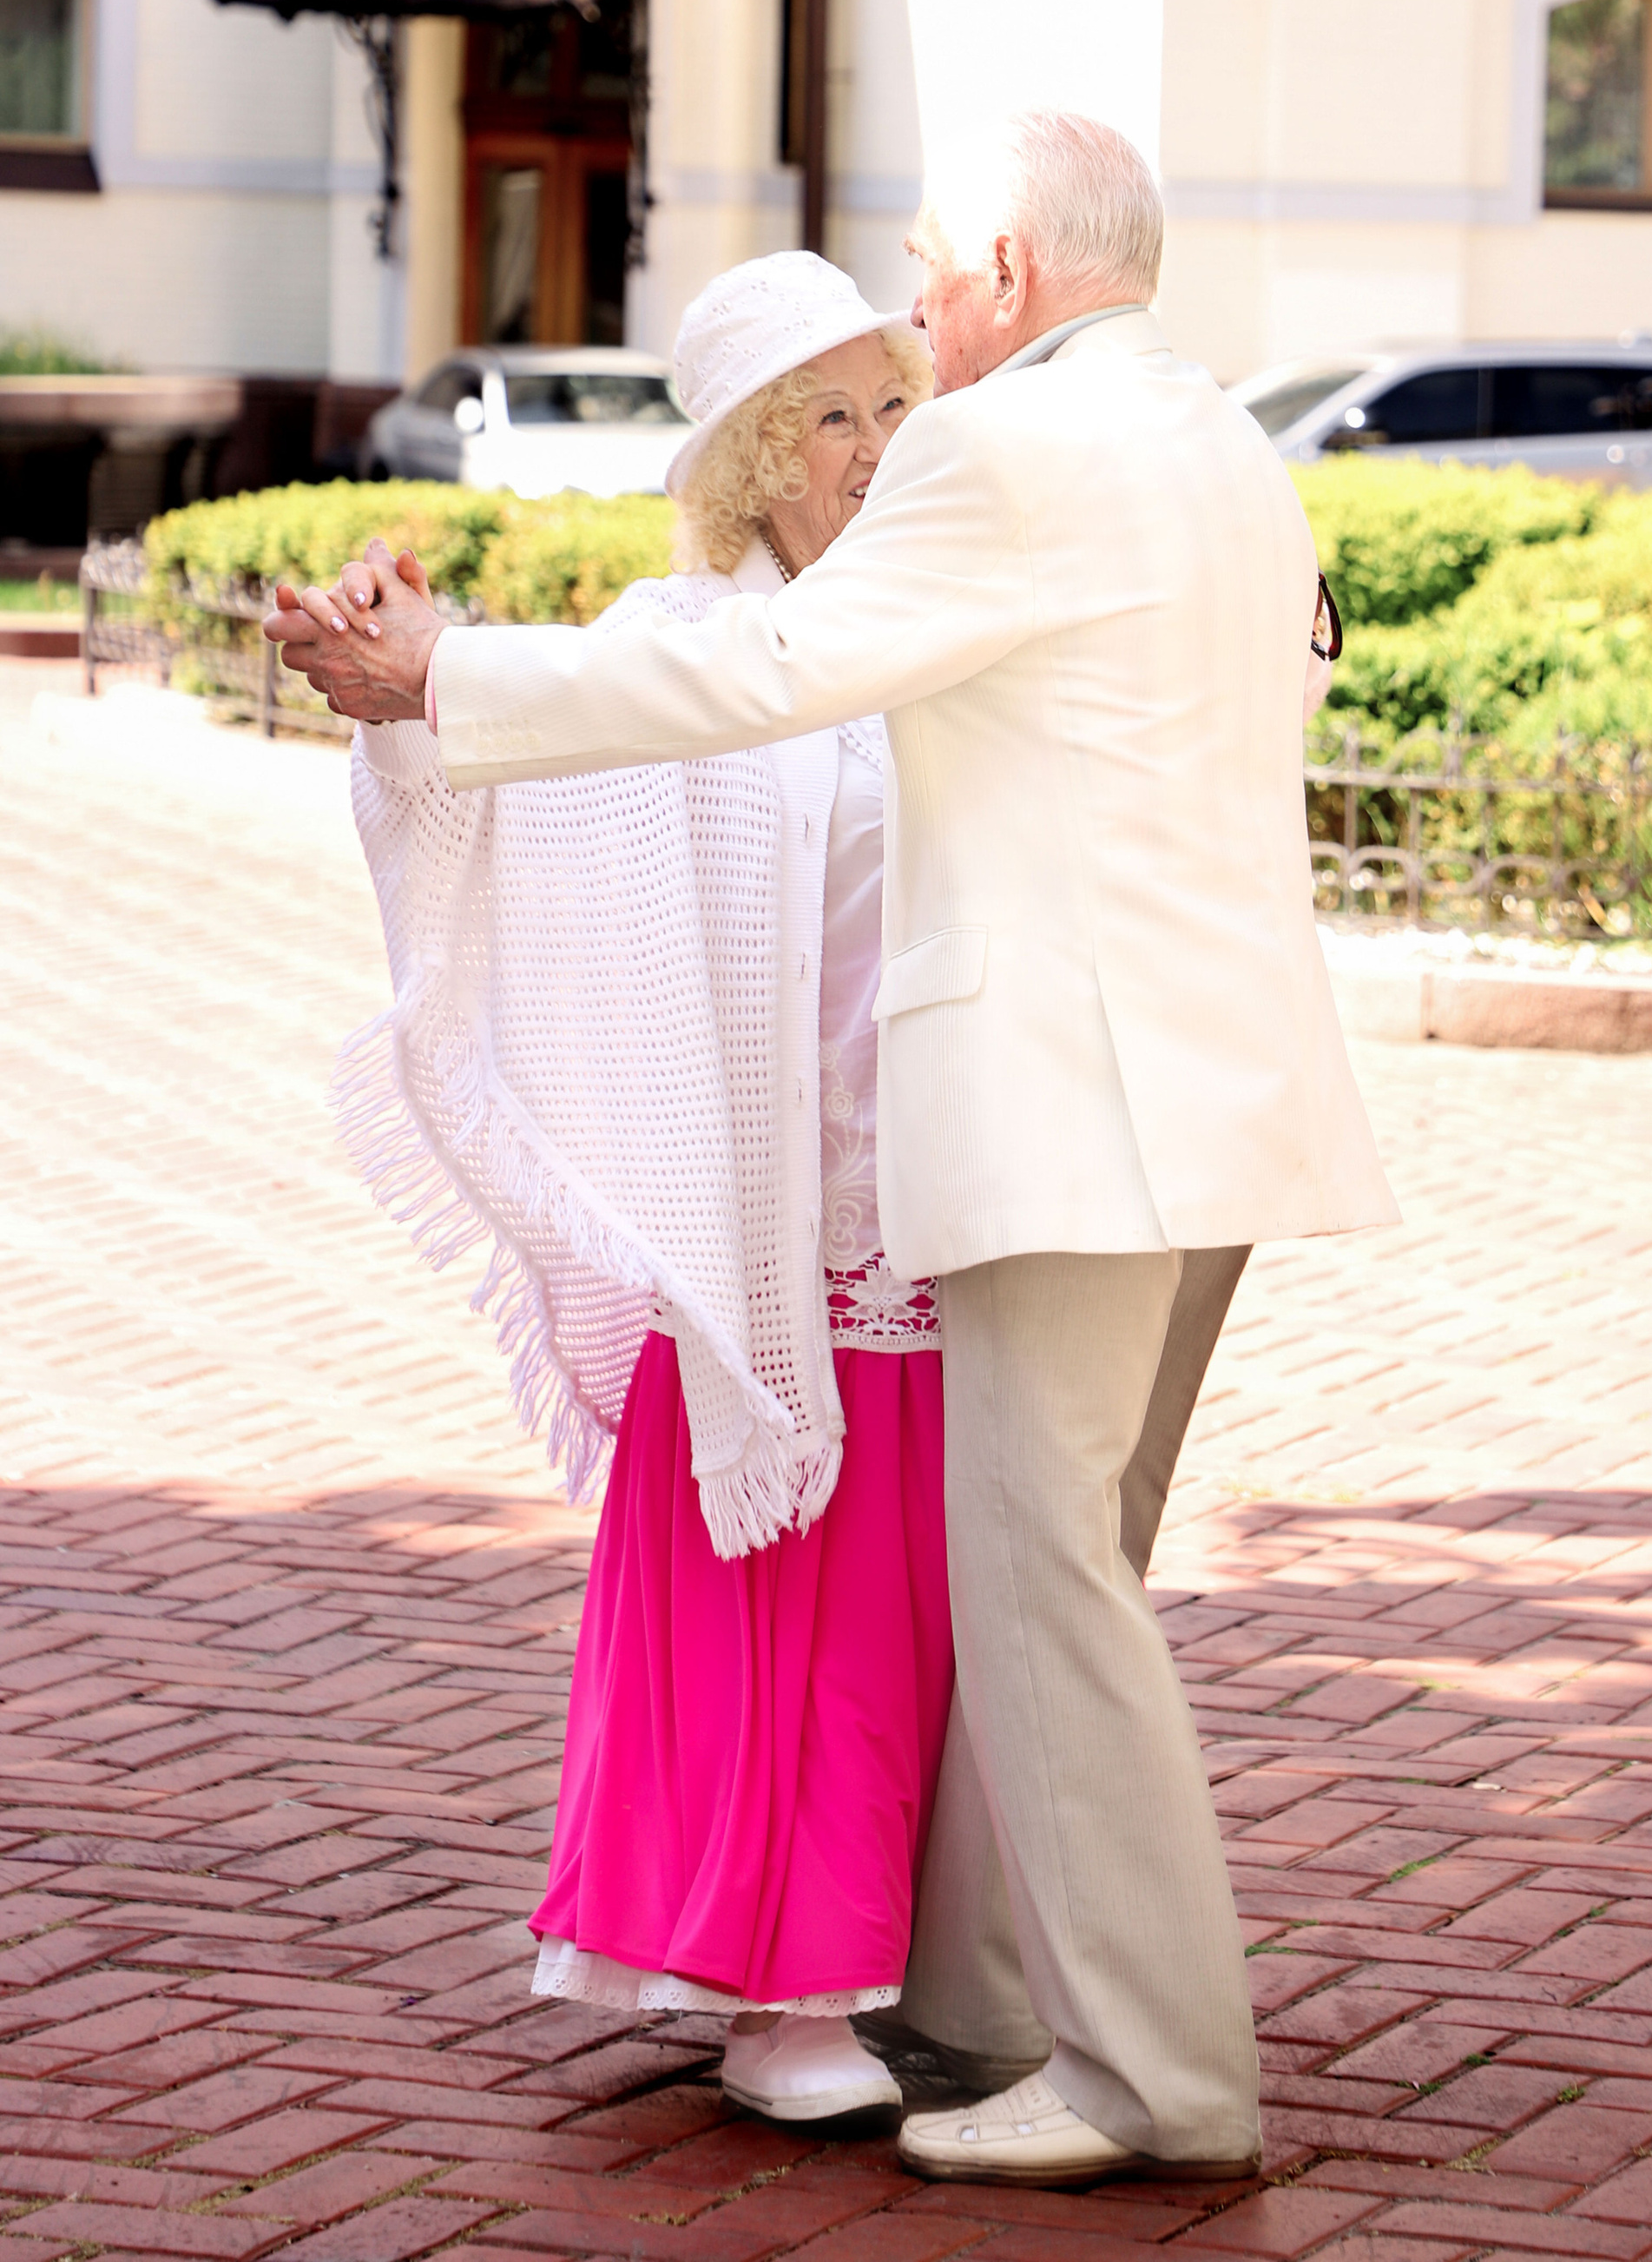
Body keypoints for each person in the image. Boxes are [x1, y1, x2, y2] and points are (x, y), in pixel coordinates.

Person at [269, 108, 1397, 2190]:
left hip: (1076, 1114)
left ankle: (1151, 2078)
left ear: (997, 264)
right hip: (1224, 1094)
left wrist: (445, 669)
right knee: (1059, 1589)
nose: (912, 319)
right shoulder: (1225, 441)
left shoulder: (1005, 446)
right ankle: (960, 2007)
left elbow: (774, 666)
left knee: (1046, 1596)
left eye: (921, 271)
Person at [332, 254, 947, 2132]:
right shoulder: (677, 629)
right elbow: (525, 795)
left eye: (892, 408)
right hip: (757, 1211)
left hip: (932, 1199)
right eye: (825, 417)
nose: (866, 449)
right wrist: (416, 692)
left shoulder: (945, 616)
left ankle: (913, 1965)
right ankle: (777, 2000)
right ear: (754, 458)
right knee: (783, 1609)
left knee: (917, 1617)